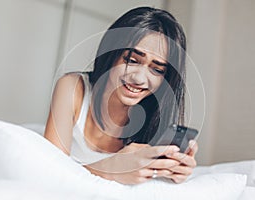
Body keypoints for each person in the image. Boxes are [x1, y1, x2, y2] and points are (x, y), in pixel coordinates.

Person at [44, 6, 198, 185]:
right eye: (132, 60)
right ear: (112, 53)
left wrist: (171, 171)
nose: (139, 79)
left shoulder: (157, 119)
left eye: (156, 69)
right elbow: (50, 173)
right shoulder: (73, 87)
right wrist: (109, 170)